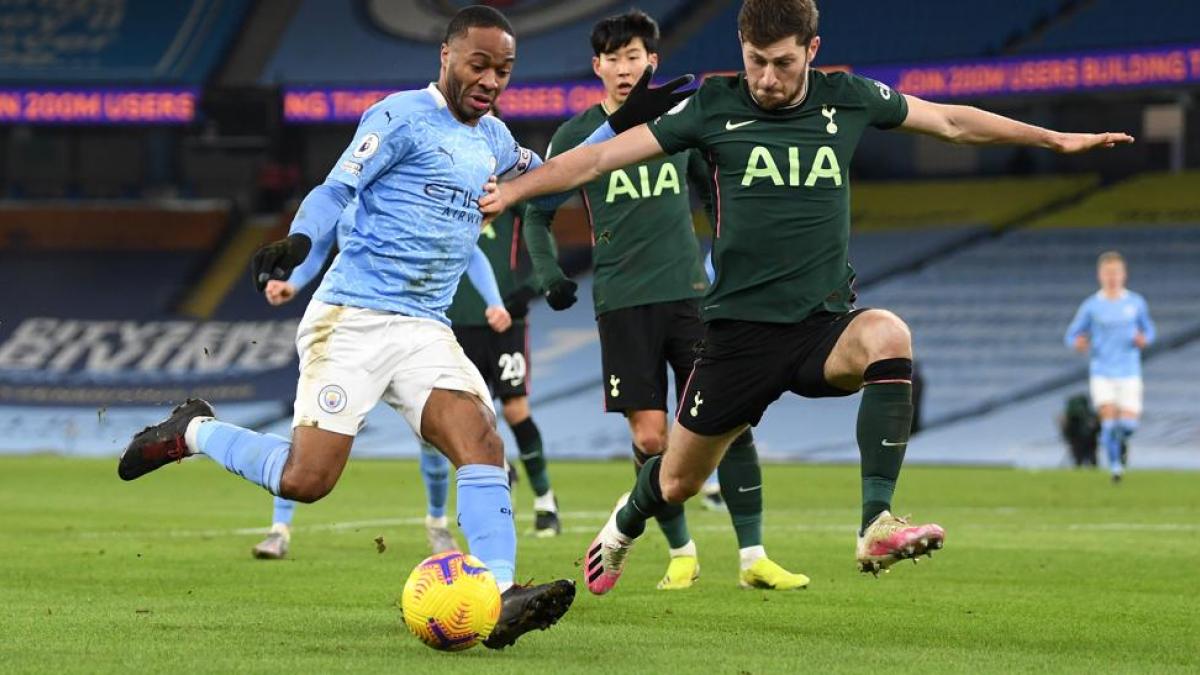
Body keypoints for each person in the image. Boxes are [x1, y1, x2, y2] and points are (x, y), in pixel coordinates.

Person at [480, 0, 1133, 593]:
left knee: (888, 334)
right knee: (677, 477)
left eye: (783, 63)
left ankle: (875, 521)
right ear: (741, 50)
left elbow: (952, 123)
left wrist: (1053, 138)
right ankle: (624, 522)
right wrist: (512, 193)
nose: (767, 77)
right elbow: (597, 161)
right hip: (736, 336)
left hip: (821, 325)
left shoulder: (847, 99)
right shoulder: (712, 106)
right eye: (756, 62)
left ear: (812, 51)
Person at [118, 7, 587, 649]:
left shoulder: (495, 141)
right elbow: (336, 191)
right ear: (446, 55)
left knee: (482, 442)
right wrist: (300, 239)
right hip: (354, 318)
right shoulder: (397, 117)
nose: (491, 79)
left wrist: (621, 123)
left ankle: (498, 593)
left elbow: (555, 169)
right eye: (479, 64)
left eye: (503, 70)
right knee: (307, 481)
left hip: (424, 327)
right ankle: (193, 429)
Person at [524, 8, 806, 593]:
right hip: (624, 302)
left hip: (692, 298)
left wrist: (738, 259)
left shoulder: (679, 124)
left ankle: (753, 555)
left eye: (635, 57)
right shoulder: (577, 136)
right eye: (614, 58)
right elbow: (537, 211)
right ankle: (682, 551)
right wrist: (549, 274)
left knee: (731, 422)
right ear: (596, 66)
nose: (625, 69)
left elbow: (716, 194)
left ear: (653, 62)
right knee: (651, 439)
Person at [252, 202, 513, 559]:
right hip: (353, 332)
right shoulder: (346, 194)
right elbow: (320, 251)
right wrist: (293, 285)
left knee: (433, 437)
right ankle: (278, 530)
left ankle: (437, 524)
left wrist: (494, 302)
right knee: (310, 428)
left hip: (410, 329)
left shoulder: (413, 192)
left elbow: (470, 252)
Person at [1064, 251, 1155, 483]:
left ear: (1124, 275)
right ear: (1100, 275)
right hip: (1102, 371)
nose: (1112, 277)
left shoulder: (1135, 303)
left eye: (1116, 272)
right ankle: (1116, 468)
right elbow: (1071, 334)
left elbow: (1150, 330)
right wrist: (1078, 342)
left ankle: (1120, 445)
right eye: (1108, 273)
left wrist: (1144, 339)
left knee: (1127, 426)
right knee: (1109, 421)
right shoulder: (1092, 306)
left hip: (1129, 371)